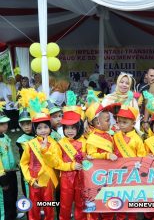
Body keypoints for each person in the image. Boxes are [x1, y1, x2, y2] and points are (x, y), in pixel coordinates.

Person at [43, 91, 87, 220]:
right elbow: (56, 162)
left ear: (79, 128)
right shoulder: (60, 143)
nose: (70, 131)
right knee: (65, 205)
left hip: (82, 178)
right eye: (67, 128)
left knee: (80, 204)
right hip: (66, 179)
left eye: (73, 128)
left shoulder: (84, 141)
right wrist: (45, 151)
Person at [20, 97, 59, 220]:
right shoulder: (30, 144)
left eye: (45, 127)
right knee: (34, 206)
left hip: (47, 180)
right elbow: (24, 163)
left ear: (50, 128)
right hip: (34, 179)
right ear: (35, 130)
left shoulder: (54, 144)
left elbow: (55, 162)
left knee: (48, 205)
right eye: (39, 128)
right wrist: (30, 179)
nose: (43, 130)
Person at [85, 90, 116, 220]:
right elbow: (91, 155)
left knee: (108, 199)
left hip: (109, 176)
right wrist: (106, 156)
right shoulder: (92, 138)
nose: (110, 122)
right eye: (108, 120)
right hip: (96, 178)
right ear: (97, 123)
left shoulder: (109, 134)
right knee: (96, 200)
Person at [113, 105, 146, 220]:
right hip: (118, 173)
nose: (121, 125)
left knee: (131, 198)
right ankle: (121, 217)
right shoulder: (115, 136)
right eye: (119, 122)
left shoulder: (137, 140)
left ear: (133, 123)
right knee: (119, 197)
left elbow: (142, 158)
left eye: (124, 122)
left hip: (132, 174)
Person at [0, 103, 20, 219]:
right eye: (2, 124)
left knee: (13, 195)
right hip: (3, 175)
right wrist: (2, 178)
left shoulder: (5, 136)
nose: (6, 126)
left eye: (6, 123)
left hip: (11, 172)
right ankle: (4, 217)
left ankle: (13, 214)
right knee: (4, 199)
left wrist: (15, 164)